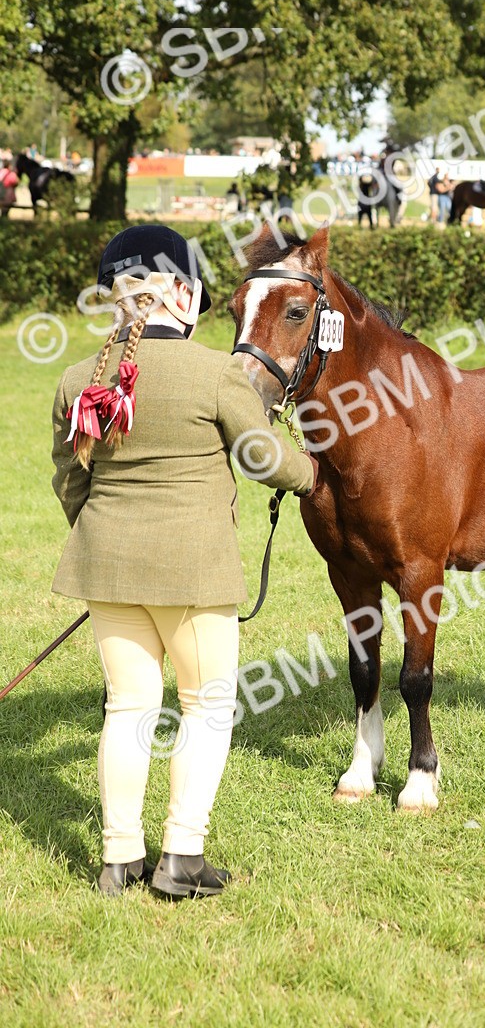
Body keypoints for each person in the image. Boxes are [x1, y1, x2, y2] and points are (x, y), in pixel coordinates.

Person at [50, 224, 317, 899]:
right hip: (195, 573)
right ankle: (181, 859)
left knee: (128, 708)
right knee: (205, 705)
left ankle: (118, 861)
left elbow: (69, 483)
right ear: (179, 293)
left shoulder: (78, 378)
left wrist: (107, 537)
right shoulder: (217, 372)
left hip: (106, 569)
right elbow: (265, 460)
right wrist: (310, 471)